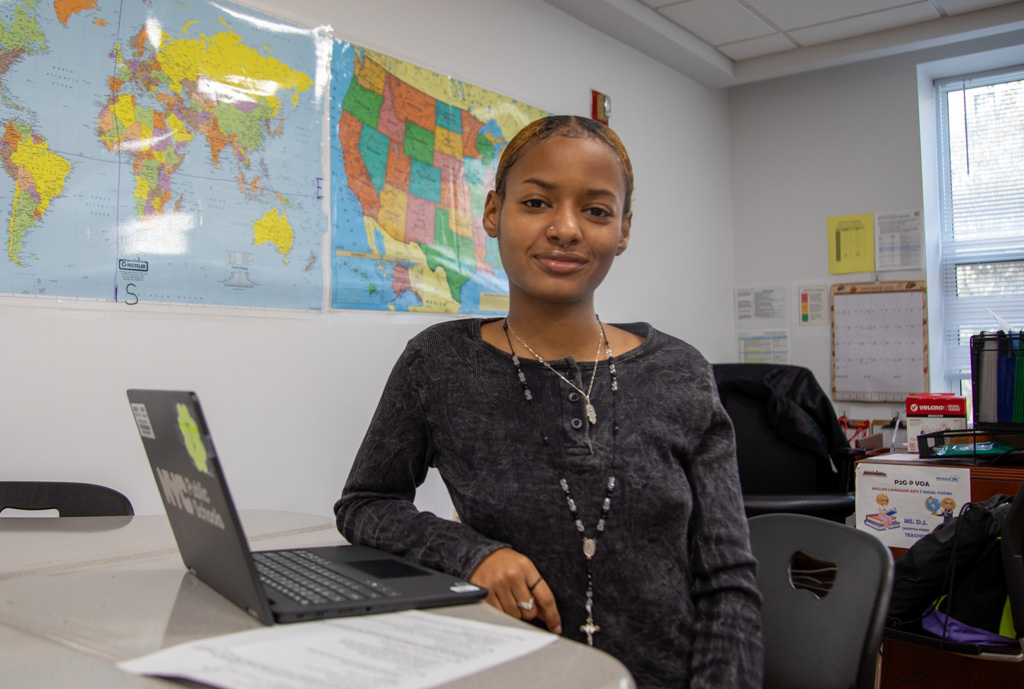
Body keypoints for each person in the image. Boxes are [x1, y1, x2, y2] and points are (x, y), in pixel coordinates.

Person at [335, 115, 763, 688]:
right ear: (494, 212)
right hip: (506, 673)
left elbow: (727, 579)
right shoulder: (437, 363)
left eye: (596, 210)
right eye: (536, 203)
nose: (565, 229)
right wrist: (472, 554)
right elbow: (366, 504)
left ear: (624, 229)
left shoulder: (679, 372)